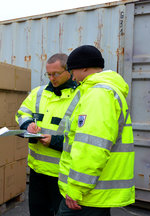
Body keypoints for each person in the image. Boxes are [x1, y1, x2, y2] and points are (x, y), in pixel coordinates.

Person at [57, 45, 134, 216]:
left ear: (83, 67)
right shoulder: (105, 91)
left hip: (86, 195)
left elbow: (91, 148)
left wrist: (76, 188)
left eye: (72, 71)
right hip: (94, 190)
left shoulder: (98, 95)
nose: (72, 76)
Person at [16, 53, 80, 216]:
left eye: (56, 74)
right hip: (37, 171)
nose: (52, 78)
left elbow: (83, 137)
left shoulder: (81, 96)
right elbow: (22, 112)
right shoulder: (39, 92)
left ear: (69, 71)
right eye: (48, 74)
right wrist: (28, 125)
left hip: (63, 175)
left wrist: (54, 141)